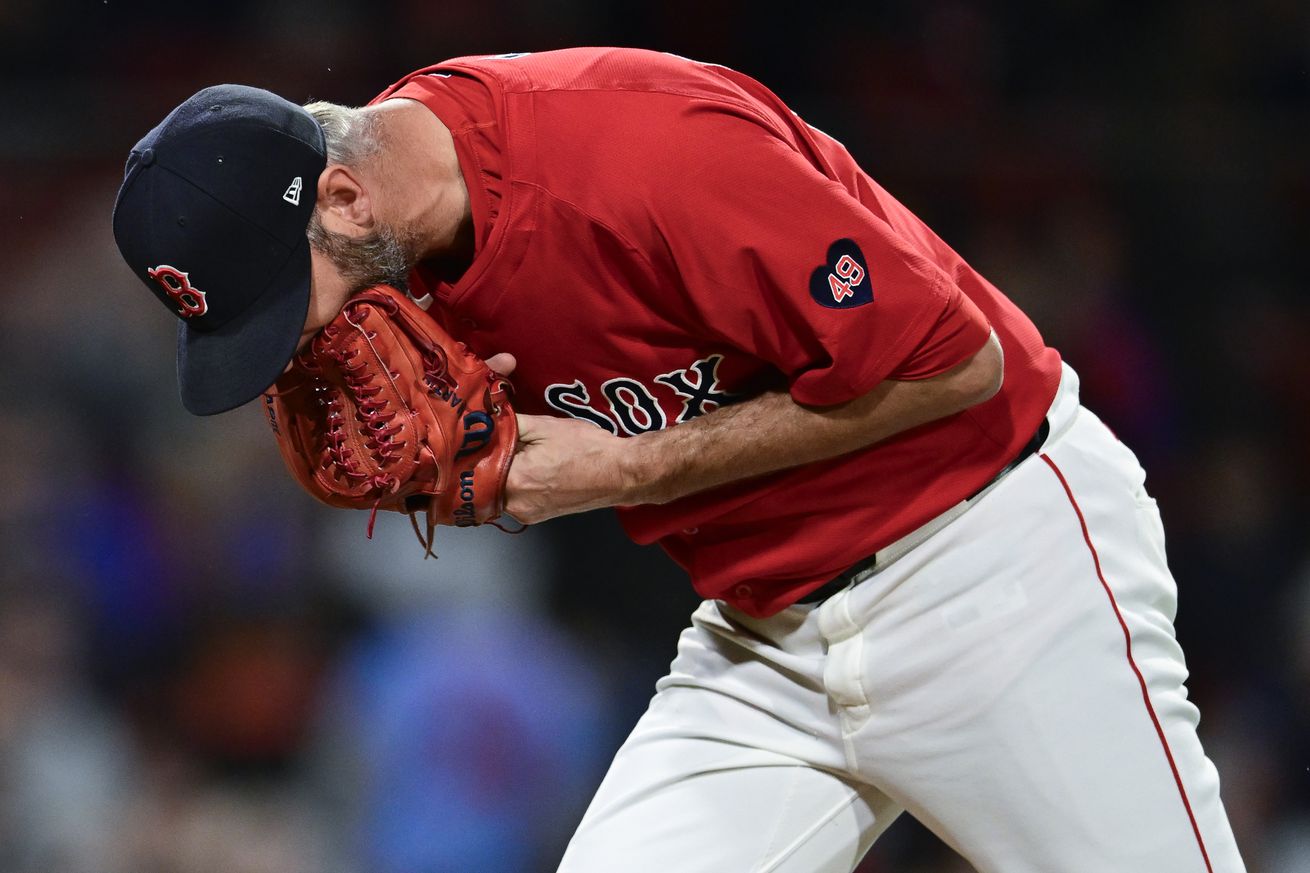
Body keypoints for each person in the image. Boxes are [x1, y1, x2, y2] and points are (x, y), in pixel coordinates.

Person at [112, 47, 1245, 872]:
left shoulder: (642, 150)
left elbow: (959, 366)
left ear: (346, 194)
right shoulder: (395, 242)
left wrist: (626, 471)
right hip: (765, 643)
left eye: (286, 305)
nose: (303, 347)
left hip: (990, 565)